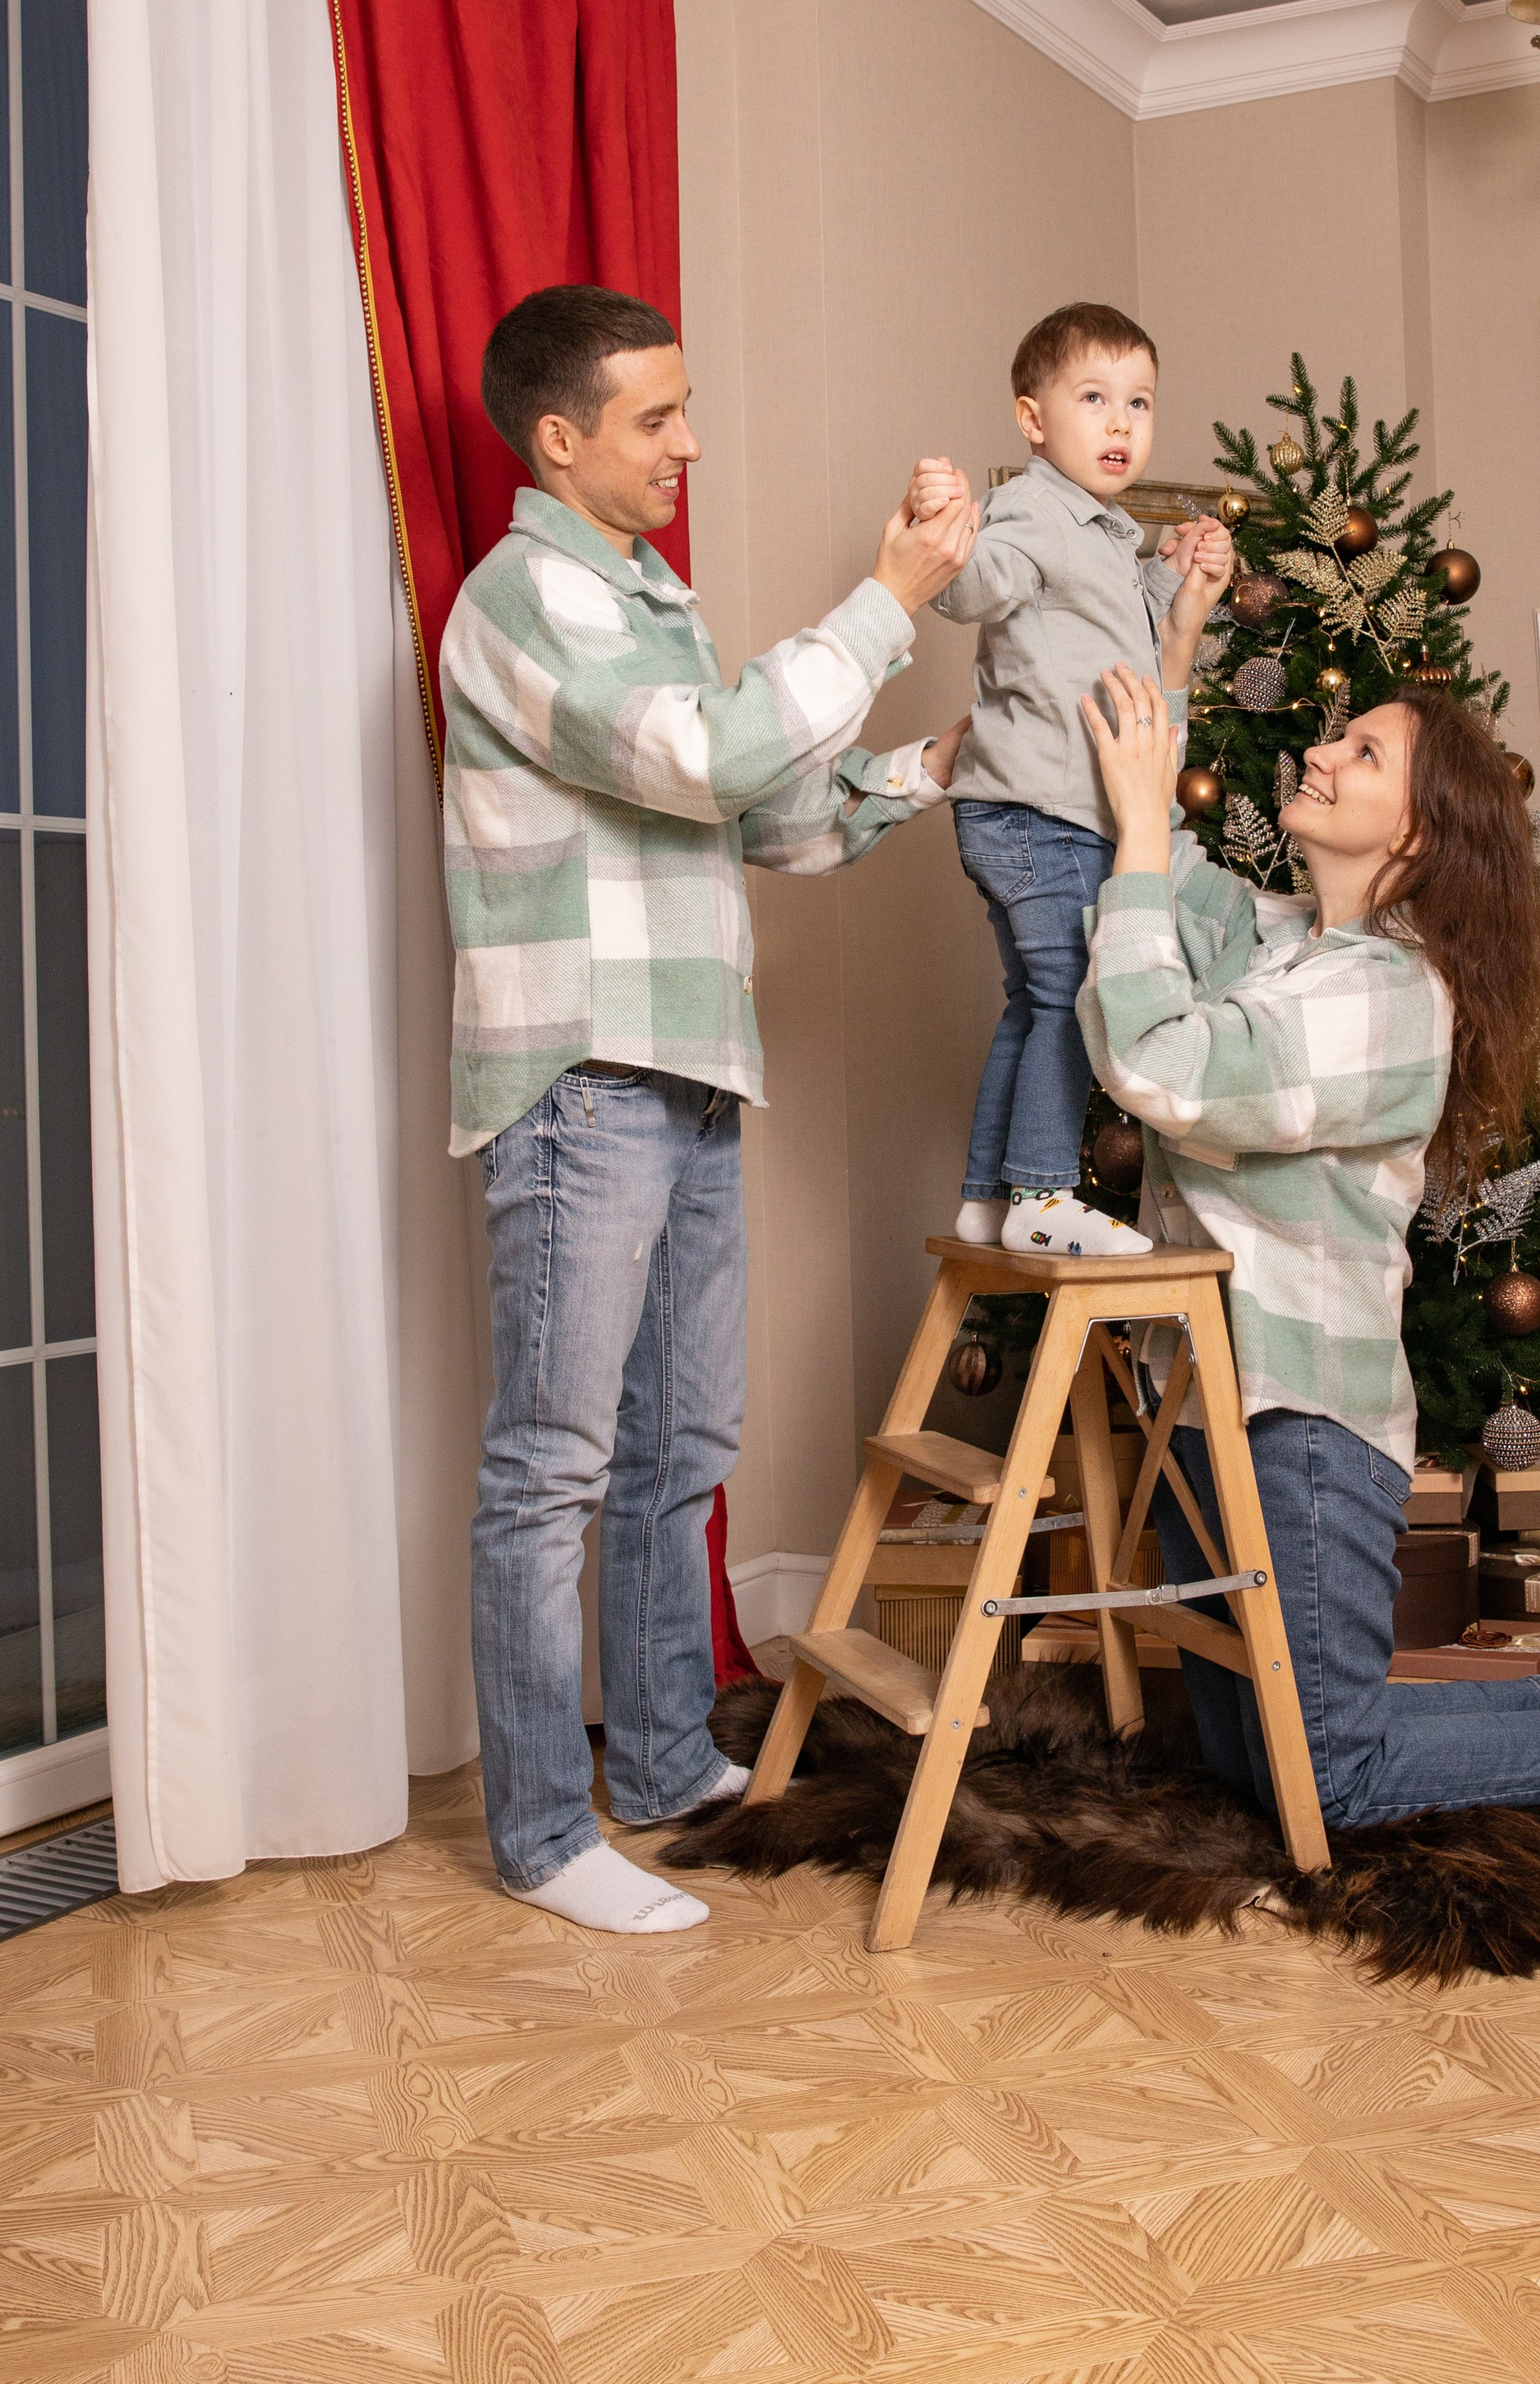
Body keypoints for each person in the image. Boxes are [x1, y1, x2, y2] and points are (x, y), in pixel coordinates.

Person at [442, 285, 979, 1935]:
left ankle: (668, 1762)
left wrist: (920, 767)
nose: (689, 441)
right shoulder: (526, 601)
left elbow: (756, 818)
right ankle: (543, 1834)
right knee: (553, 1466)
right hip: (583, 1077)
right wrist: (887, 599)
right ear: (559, 438)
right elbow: (704, 759)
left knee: (682, 1449)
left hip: (684, 1070)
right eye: (656, 417)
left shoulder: (644, 598)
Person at [1074, 660, 1540, 1820]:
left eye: (1366, 756)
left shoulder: (1393, 991)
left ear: (1422, 834)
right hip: (1202, 1395)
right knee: (1252, 1761)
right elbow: (1162, 862)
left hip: (1302, 1415)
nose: (1321, 754)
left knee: (1331, 1779)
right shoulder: (1285, 939)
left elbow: (1159, 1061)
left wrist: (1148, 824)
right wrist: (1178, 641)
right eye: (1337, 741)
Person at [913, 302, 1234, 1254]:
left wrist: (1176, 573)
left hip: (1047, 811)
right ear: (1032, 419)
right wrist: (946, 523)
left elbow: (1132, 638)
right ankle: (1042, 1198)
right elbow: (976, 586)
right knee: (1071, 999)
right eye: (1093, 398)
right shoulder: (1031, 511)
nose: (1121, 422)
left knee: (1032, 1001)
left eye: (1138, 402)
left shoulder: (1107, 532)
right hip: (1038, 812)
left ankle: (985, 1194)